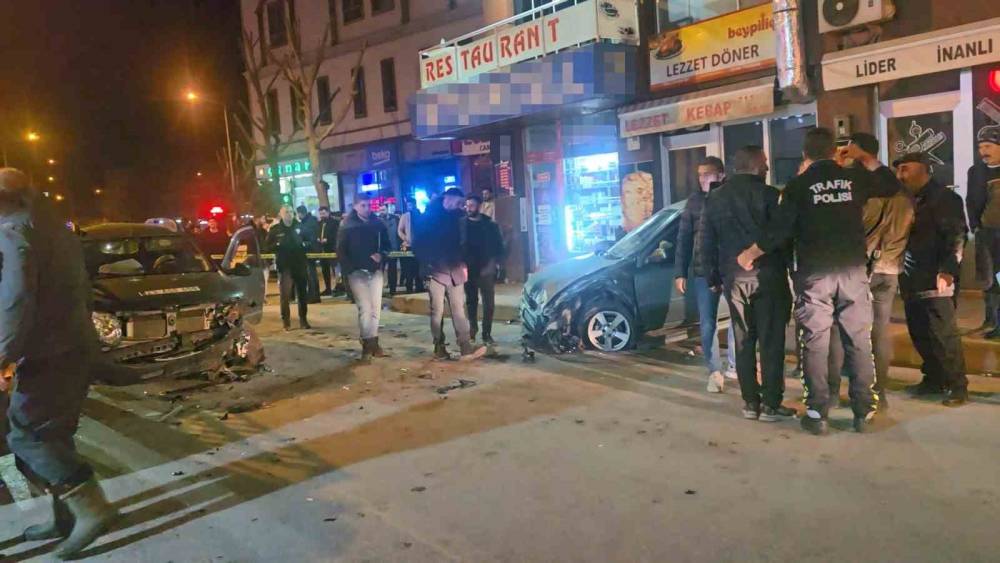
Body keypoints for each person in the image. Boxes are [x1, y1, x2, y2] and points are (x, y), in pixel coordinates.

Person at [737, 127, 900, 435]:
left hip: (815, 275)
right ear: (834, 152)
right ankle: (864, 412)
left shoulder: (798, 186)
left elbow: (780, 230)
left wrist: (751, 252)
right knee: (858, 341)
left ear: (805, 154)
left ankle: (817, 413)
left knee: (815, 343)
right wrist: (865, 158)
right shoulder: (853, 179)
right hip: (852, 273)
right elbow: (891, 185)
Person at [0, 168, 119, 558]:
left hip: (48, 352)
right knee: (52, 433)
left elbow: (16, 301)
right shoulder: (54, 227)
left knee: (27, 435)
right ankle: (65, 517)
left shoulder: (15, 233)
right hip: (71, 346)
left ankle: (92, 509)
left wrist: (2, 354)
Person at [700, 147, 794, 422]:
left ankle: (750, 402)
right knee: (771, 341)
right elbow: (782, 236)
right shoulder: (770, 195)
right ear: (754, 166)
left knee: (743, 340)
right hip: (769, 277)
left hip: (734, 279)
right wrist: (791, 270)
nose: (767, 168)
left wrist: (713, 278)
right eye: (764, 163)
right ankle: (771, 404)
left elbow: (706, 241)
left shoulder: (715, 198)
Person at [828, 133, 914, 411]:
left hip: (860, 267)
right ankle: (880, 394)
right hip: (890, 267)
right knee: (879, 331)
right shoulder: (901, 191)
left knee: (840, 329)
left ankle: (834, 392)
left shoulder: (859, 185)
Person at [894, 152, 969, 406]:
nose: (901, 175)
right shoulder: (904, 199)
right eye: (899, 170)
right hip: (910, 275)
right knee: (919, 331)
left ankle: (957, 386)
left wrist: (948, 270)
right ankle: (934, 378)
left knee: (943, 334)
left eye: (906, 168)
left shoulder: (944, 198)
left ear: (924, 169)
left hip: (937, 276)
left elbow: (956, 235)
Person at [675, 156, 734, 392]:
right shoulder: (694, 202)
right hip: (702, 270)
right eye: (699, 174)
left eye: (707, 174)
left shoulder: (731, 198)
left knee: (737, 319)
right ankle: (714, 370)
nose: (702, 179)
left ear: (721, 175)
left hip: (729, 270)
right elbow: (683, 238)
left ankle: (735, 364)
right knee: (708, 322)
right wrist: (680, 272)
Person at [413, 188, 487, 360]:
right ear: (448, 199)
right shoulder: (428, 218)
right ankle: (439, 347)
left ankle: (465, 347)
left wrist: (465, 260)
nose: (462, 206)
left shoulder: (460, 219)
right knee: (437, 312)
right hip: (435, 271)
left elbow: (465, 244)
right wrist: (428, 265)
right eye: (459, 202)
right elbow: (418, 245)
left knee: (458, 310)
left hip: (455, 270)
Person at [337, 194, 391, 361]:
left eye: (369, 205)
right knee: (365, 309)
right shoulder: (347, 226)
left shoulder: (378, 224)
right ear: (355, 206)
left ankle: (373, 341)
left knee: (375, 309)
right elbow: (341, 251)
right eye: (363, 205)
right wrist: (349, 270)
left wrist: (382, 255)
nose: (367, 209)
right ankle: (367, 344)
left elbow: (387, 246)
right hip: (357, 272)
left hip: (375, 271)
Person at [964, 126, 1000, 336]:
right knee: (988, 279)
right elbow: (971, 201)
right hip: (986, 233)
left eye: (988, 146)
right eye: (981, 147)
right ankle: (991, 321)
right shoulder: (976, 171)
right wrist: (975, 226)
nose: (983, 151)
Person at [463, 194, 505, 344]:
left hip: (486, 268)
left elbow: (499, 247)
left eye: (472, 206)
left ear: (479, 206)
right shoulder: (461, 225)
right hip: (468, 269)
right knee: (471, 301)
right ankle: (472, 329)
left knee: (489, 303)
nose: (469, 209)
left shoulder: (490, 226)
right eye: (467, 206)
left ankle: (487, 333)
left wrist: (494, 264)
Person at [266, 205, 311, 330]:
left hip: (300, 264)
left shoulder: (301, 227)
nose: (289, 214)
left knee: (302, 294)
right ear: (281, 214)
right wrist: (277, 244)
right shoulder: (275, 230)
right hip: (284, 266)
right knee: (285, 295)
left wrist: (304, 244)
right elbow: (267, 246)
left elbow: (310, 241)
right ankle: (286, 321)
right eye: (286, 212)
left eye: (291, 212)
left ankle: (303, 320)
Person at [296, 205, 322, 304]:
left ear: (300, 213)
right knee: (311, 274)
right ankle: (313, 295)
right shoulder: (308, 221)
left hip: (310, 251)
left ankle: (313, 296)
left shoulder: (309, 223)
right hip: (309, 250)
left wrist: (303, 242)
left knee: (311, 274)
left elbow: (311, 237)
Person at [398, 197, 424, 293]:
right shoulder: (405, 216)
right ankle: (409, 287)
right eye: (408, 205)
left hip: (419, 246)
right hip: (407, 246)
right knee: (408, 268)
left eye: (411, 204)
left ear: (415, 204)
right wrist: (405, 238)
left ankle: (419, 287)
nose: (410, 206)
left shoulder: (421, 215)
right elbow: (399, 230)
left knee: (418, 267)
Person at [317, 206, 340, 296]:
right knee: (325, 270)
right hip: (322, 249)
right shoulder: (319, 223)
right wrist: (318, 238)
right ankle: (328, 288)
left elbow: (336, 235)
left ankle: (338, 287)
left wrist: (328, 239)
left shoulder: (334, 222)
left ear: (328, 213)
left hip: (332, 249)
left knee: (335, 270)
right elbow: (317, 232)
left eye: (323, 213)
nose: (322, 215)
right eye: (320, 214)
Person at [380, 203, 401, 295]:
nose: (382, 212)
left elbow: (399, 232)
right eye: (380, 210)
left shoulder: (395, 219)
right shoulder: (377, 220)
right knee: (380, 272)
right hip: (381, 250)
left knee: (392, 271)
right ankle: (379, 291)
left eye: (383, 210)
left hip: (393, 248)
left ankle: (393, 290)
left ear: (387, 209)